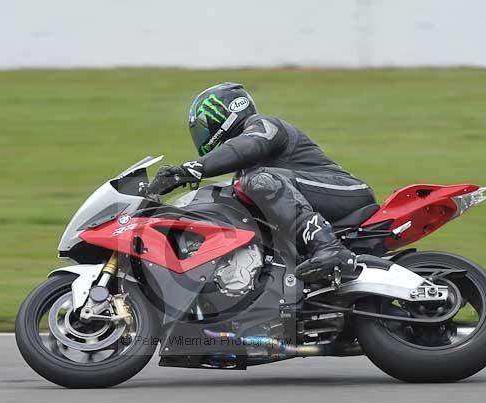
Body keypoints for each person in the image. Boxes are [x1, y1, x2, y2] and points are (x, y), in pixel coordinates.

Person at [148, 82, 376, 281]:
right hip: (310, 196)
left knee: (258, 180)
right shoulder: (245, 172)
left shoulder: (264, 125)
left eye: (204, 124)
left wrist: (191, 169)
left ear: (222, 115)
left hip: (345, 190)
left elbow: (248, 146)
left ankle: (329, 247)